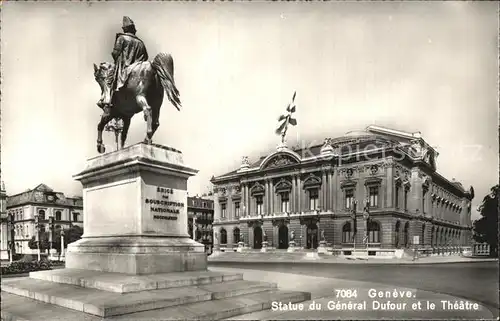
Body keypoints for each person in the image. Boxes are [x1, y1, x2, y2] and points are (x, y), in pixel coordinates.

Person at [102, 16, 149, 107]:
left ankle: (107, 100)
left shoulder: (121, 38)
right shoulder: (140, 42)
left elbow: (115, 53)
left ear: (125, 29)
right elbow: (145, 57)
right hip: (137, 68)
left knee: (108, 77)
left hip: (124, 68)